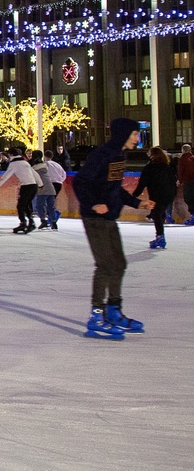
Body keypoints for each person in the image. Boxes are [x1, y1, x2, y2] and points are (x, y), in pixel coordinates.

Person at [75, 119, 154, 338]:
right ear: (124, 134)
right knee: (105, 265)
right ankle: (96, 316)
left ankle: (114, 311)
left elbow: (114, 189)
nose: (138, 139)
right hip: (94, 217)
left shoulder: (119, 155)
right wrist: (93, 203)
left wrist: (138, 204)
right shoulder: (102, 155)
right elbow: (80, 182)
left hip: (109, 217)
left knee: (119, 263)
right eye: (135, 135)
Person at [134, 147, 176, 250]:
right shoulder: (168, 166)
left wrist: (133, 195)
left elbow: (143, 182)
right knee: (159, 214)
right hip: (168, 195)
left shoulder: (150, 167)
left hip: (157, 195)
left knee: (156, 215)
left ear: (152, 155)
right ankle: (160, 236)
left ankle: (160, 237)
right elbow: (173, 179)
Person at [0, 146, 41, 234]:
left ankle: (24, 223)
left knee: (21, 206)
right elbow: (35, 173)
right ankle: (30, 222)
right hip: (34, 185)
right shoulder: (25, 162)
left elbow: (6, 176)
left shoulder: (14, 164)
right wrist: (40, 184)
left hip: (26, 186)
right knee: (25, 205)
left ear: (11, 154)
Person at [29, 151, 57, 230]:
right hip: (51, 188)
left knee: (39, 206)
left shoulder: (34, 169)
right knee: (51, 206)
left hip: (42, 189)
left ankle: (43, 221)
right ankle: (54, 222)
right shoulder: (45, 167)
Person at [44, 154, 66, 229]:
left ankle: (54, 215)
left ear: (45, 156)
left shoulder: (46, 163)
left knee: (47, 201)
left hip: (51, 183)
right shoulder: (57, 165)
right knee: (50, 200)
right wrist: (60, 181)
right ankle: (52, 218)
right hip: (58, 184)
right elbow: (64, 174)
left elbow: (44, 173)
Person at [177, 144, 194, 226]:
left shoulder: (183, 159)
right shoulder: (193, 157)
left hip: (188, 182)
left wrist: (179, 180)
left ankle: (193, 216)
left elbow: (181, 170)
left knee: (189, 199)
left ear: (183, 150)